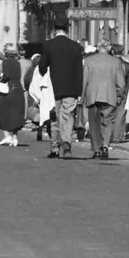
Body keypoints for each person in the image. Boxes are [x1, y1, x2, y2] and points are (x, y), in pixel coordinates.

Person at [38, 15, 84, 160]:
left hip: (54, 87)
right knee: (67, 116)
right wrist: (79, 91)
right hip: (71, 87)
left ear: (54, 29)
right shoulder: (76, 46)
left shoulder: (49, 45)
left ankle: (55, 147)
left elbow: (42, 67)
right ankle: (66, 142)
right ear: (67, 29)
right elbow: (79, 71)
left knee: (55, 117)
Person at [81, 37, 127, 159]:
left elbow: (85, 80)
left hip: (93, 95)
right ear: (109, 48)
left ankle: (96, 149)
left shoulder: (89, 60)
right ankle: (105, 145)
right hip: (109, 95)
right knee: (108, 122)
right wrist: (119, 95)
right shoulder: (116, 62)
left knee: (94, 123)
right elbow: (121, 83)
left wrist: (82, 96)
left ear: (97, 47)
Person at [0, 43, 26, 147]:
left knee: (4, 112)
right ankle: (15, 137)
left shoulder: (6, 62)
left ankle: (7, 135)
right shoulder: (17, 63)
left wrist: (0, 81)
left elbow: (6, 76)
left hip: (9, 90)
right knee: (16, 113)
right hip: (18, 89)